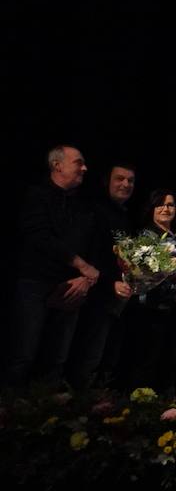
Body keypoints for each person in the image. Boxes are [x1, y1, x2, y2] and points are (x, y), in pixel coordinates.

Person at [10, 145, 99, 386]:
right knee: (24, 353)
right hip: (35, 284)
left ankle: (48, 416)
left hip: (71, 286)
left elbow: (93, 246)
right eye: (78, 162)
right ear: (57, 165)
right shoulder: (35, 195)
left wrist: (84, 279)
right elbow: (40, 237)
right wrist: (82, 265)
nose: (85, 168)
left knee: (57, 358)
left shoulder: (83, 206)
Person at [67, 162, 136, 389]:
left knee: (108, 360)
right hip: (95, 295)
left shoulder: (125, 217)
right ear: (106, 181)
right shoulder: (94, 211)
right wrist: (110, 283)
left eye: (130, 181)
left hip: (118, 299)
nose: (125, 184)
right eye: (120, 179)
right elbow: (90, 254)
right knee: (88, 358)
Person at [124, 190, 176, 395]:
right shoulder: (144, 237)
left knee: (169, 364)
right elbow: (139, 276)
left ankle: (166, 413)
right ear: (152, 208)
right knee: (145, 363)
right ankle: (140, 412)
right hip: (149, 310)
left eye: (171, 205)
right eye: (161, 204)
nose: (166, 208)